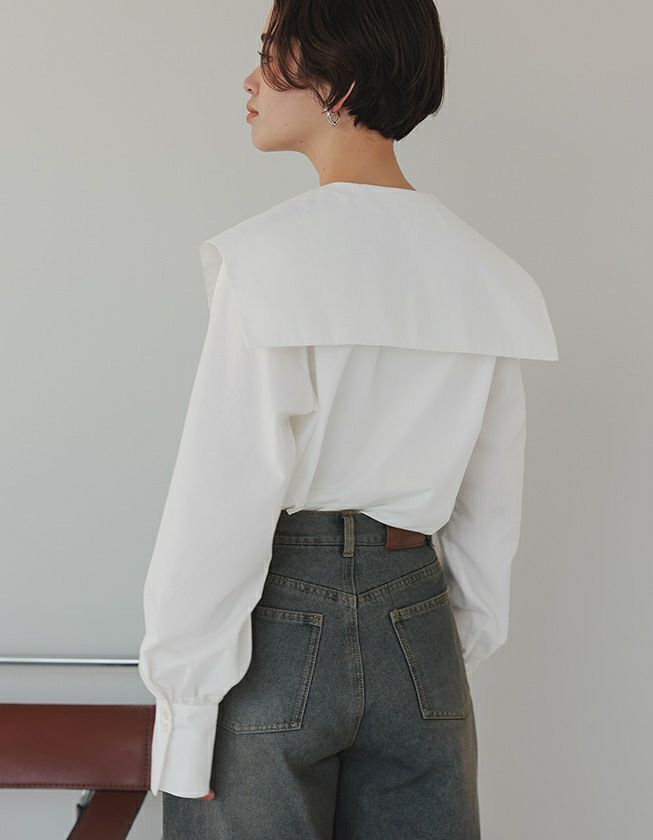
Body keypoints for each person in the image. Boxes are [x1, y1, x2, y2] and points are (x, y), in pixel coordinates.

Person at [137, 1, 559, 837]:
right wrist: (438, 654)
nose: (250, 80)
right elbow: (489, 509)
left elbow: (223, 495)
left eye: (271, 53)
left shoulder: (266, 261)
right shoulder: (487, 275)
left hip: (279, 622)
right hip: (420, 620)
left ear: (339, 79)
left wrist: (187, 710)